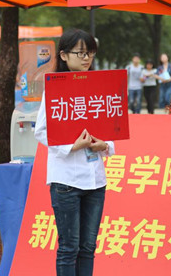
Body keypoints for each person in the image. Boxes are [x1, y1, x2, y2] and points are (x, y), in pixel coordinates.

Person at [34, 29, 115, 276]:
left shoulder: (101, 86)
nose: (86, 58)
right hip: (66, 180)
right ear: (64, 55)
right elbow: (41, 131)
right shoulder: (55, 89)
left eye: (90, 52)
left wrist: (105, 145)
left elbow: (111, 125)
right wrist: (71, 146)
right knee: (69, 248)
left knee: (88, 247)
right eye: (80, 53)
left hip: (95, 180)